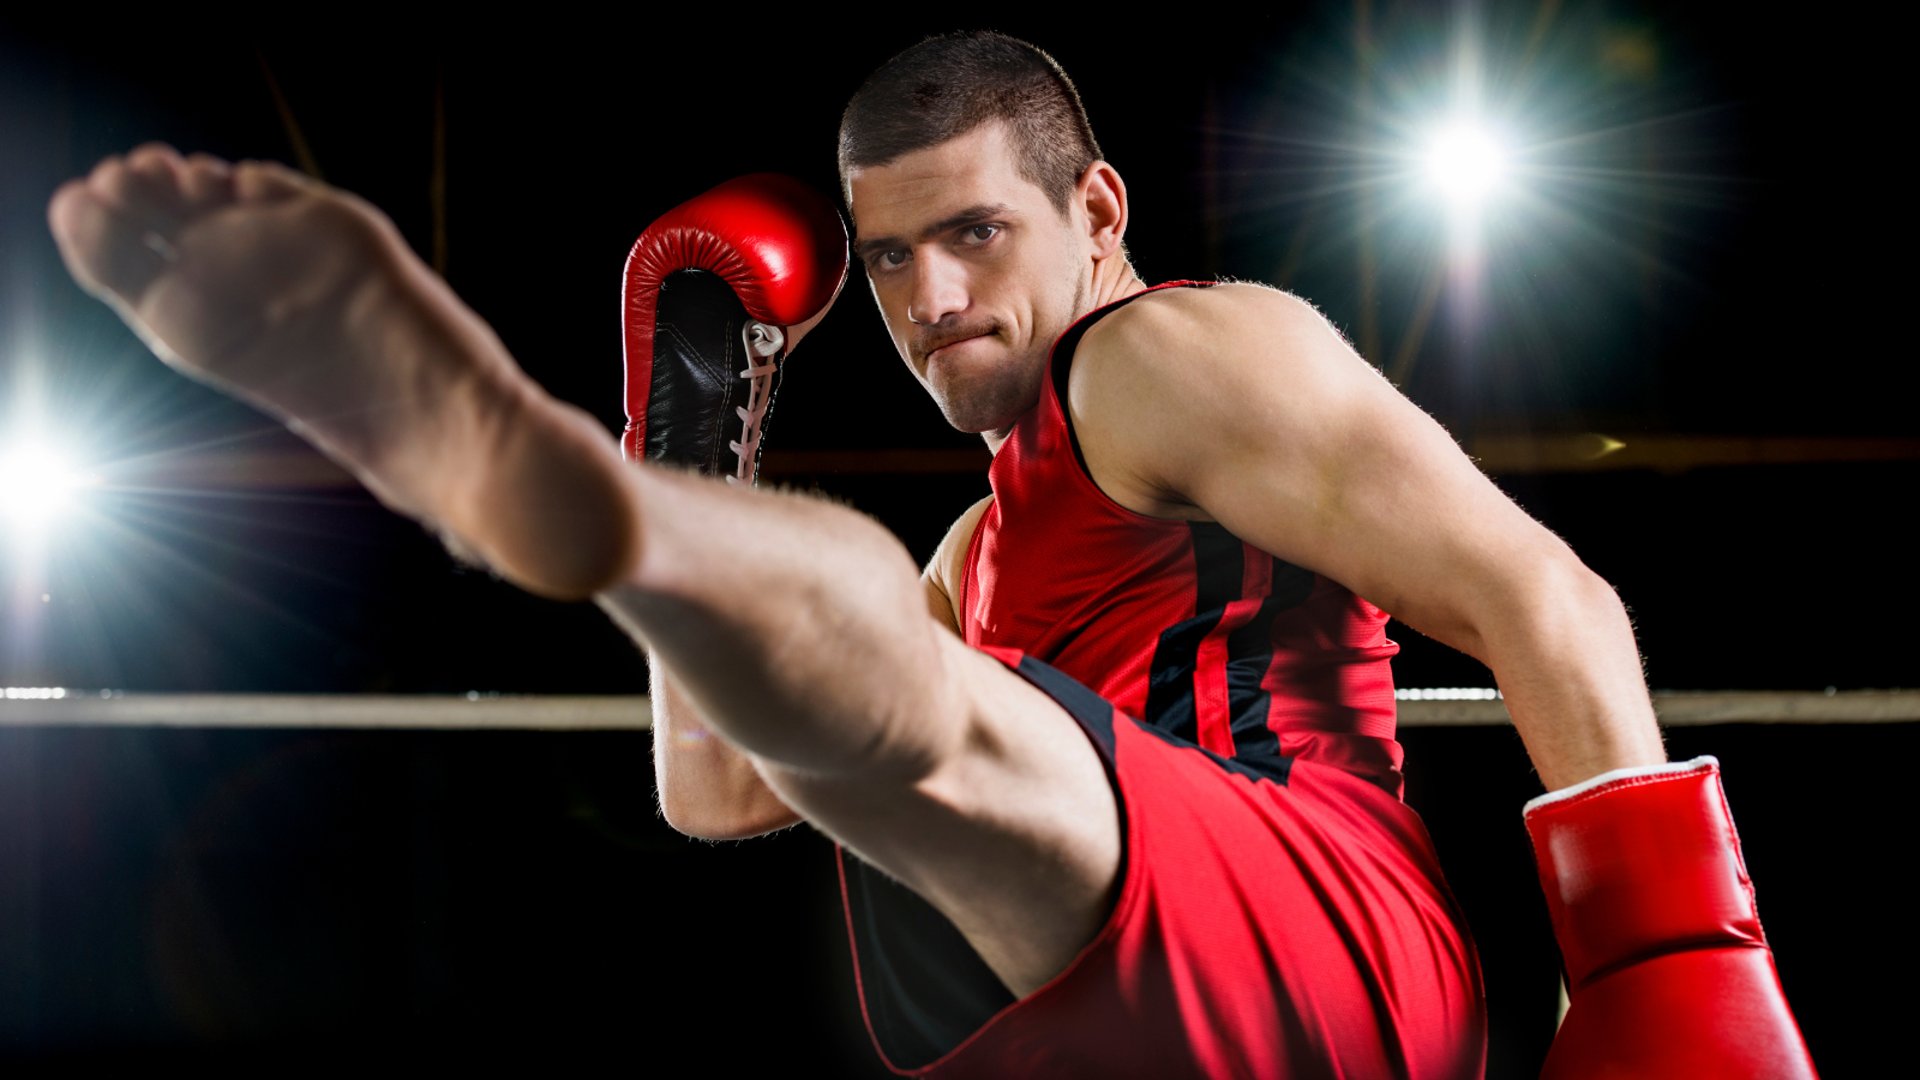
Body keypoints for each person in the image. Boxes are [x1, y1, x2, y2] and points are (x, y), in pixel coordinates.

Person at [46, 30, 1813, 1080]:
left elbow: (1549, 600)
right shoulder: (980, 542)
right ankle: (640, 501)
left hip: (1311, 945)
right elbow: (722, 792)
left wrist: (1665, 988)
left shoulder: (1169, 357)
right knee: (902, 722)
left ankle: (570, 492)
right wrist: (697, 427)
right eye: (889, 260)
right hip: (1052, 1009)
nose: (930, 302)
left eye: (973, 234)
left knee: (948, 723)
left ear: (1096, 212)